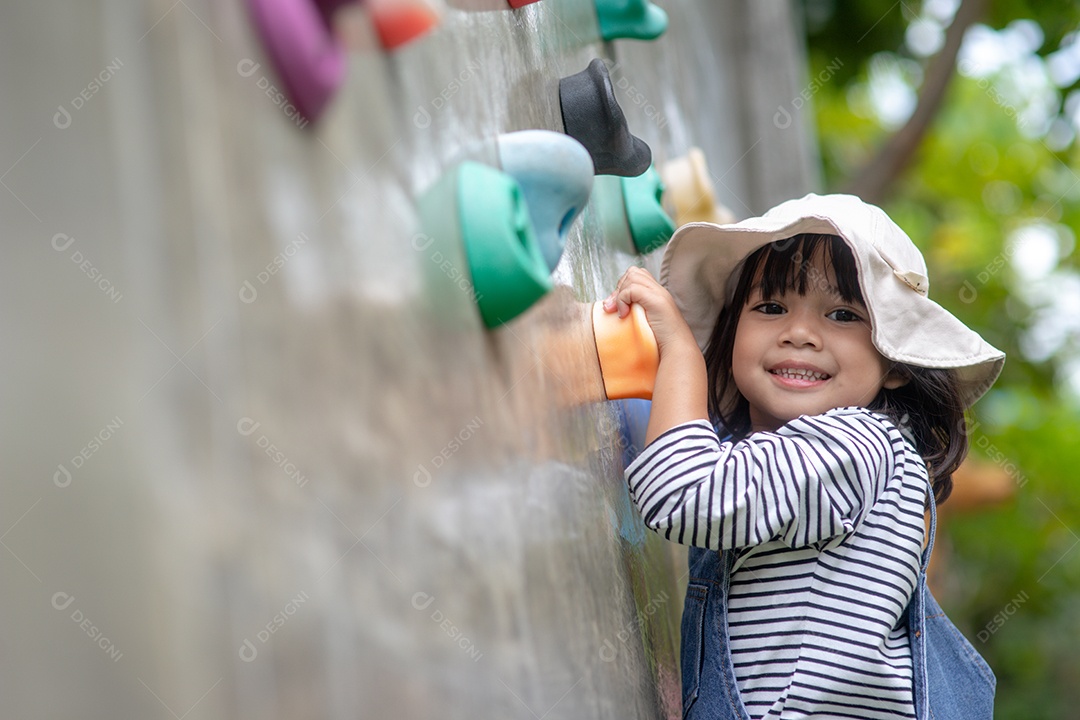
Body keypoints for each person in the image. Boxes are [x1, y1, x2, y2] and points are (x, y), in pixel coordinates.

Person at [602, 194, 1004, 720]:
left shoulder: (856, 446)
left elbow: (684, 492)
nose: (800, 333)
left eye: (842, 314)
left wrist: (677, 350)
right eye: (771, 307)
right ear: (733, 332)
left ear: (897, 363)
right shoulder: (794, 461)